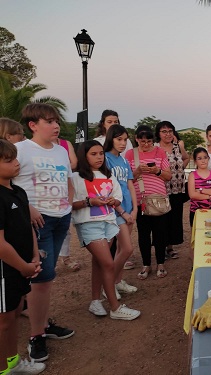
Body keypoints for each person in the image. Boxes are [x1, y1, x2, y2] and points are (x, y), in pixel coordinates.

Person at [13, 103, 74, 363]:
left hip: (61, 218)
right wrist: (29, 208)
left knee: (47, 278)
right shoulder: (19, 150)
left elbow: (69, 180)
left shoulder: (61, 151)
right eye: (48, 121)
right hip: (37, 223)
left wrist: (68, 204)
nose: (56, 125)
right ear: (33, 125)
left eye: (56, 120)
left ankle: (43, 326)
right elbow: (6, 184)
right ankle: (36, 336)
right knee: (41, 276)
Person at [71, 140, 140, 321]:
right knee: (108, 264)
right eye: (93, 154)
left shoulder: (108, 175)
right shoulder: (76, 178)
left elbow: (117, 196)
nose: (99, 157)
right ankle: (115, 308)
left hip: (108, 223)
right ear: (84, 156)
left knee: (99, 262)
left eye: (101, 153)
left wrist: (113, 202)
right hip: (89, 224)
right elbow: (70, 204)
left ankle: (95, 300)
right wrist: (90, 202)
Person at [0, 140, 45, 375]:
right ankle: (4, 368)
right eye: (8, 160)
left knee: (15, 312)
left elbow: (28, 228)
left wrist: (34, 256)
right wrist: (22, 266)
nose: (16, 163)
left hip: (22, 265)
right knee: (5, 321)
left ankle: (12, 361)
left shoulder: (18, 191)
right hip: (5, 270)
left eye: (15, 158)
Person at [125, 127, 172, 279]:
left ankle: (161, 263)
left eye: (149, 141)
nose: (146, 144)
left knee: (160, 233)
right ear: (136, 139)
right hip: (140, 200)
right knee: (143, 234)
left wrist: (157, 171)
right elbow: (126, 178)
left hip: (158, 199)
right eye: (142, 141)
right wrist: (138, 171)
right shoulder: (130, 154)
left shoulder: (160, 152)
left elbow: (168, 176)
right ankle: (146, 264)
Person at [103, 125, 138, 297]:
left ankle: (118, 281)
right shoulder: (105, 159)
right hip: (116, 211)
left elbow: (130, 184)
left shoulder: (124, 160)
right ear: (111, 138)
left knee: (120, 250)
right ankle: (107, 285)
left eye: (125, 139)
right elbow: (108, 189)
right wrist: (122, 212)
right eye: (119, 139)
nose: (123, 143)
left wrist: (135, 209)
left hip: (129, 209)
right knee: (127, 249)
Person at [155, 121, 189, 259]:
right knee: (161, 219)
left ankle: (170, 247)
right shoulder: (155, 148)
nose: (168, 134)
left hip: (177, 189)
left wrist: (179, 169)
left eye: (170, 131)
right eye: (164, 131)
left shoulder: (177, 147)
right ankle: (160, 247)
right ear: (158, 133)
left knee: (174, 218)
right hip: (161, 189)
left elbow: (186, 158)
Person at [55, 129, 80, 272]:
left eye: (56, 122)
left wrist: (54, 169)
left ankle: (65, 257)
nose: (55, 126)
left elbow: (74, 163)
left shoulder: (65, 143)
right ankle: (48, 262)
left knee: (65, 227)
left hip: (65, 189)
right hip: (46, 192)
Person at [188, 147, 211, 226]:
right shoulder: (192, 175)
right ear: (195, 161)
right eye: (199, 158)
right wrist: (210, 195)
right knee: (197, 236)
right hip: (196, 211)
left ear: (208, 159)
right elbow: (192, 195)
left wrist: (201, 190)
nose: (203, 160)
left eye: (205, 157)